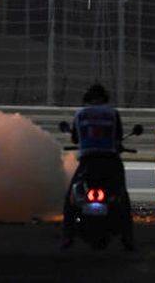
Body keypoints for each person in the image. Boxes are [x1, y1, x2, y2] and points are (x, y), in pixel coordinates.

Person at [61, 83, 135, 251]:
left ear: (87, 98)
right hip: (110, 160)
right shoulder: (112, 114)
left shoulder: (80, 115)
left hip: (88, 161)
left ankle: (67, 237)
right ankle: (127, 238)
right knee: (122, 197)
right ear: (105, 98)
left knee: (70, 199)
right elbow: (118, 137)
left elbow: (74, 138)